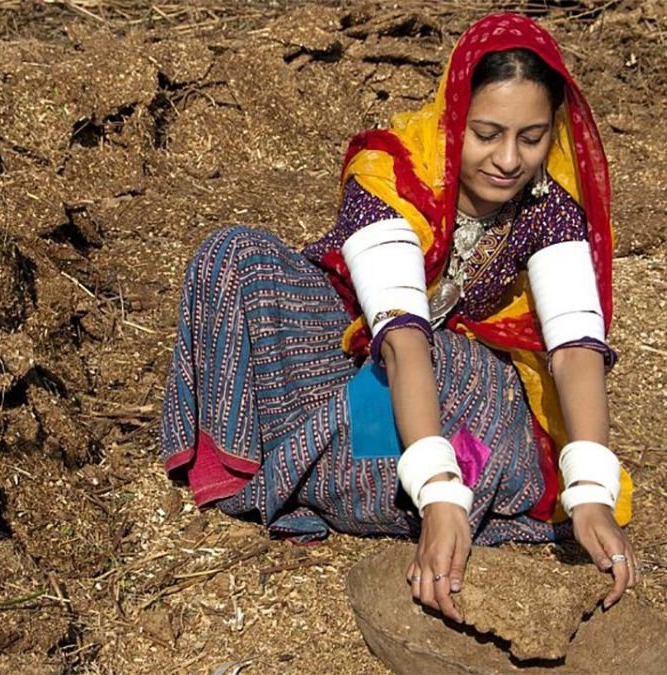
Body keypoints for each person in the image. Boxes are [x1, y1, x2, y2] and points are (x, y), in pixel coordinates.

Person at [159, 13, 637, 621]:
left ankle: (342, 465)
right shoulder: (392, 174)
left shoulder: (549, 207)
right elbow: (401, 336)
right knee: (234, 256)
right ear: (454, 116)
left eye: (532, 136)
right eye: (486, 133)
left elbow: (573, 347)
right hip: (355, 345)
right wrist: (439, 493)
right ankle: (306, 459)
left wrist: (590, 490)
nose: (509, 159)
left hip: (454, 384)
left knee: (467, 379)